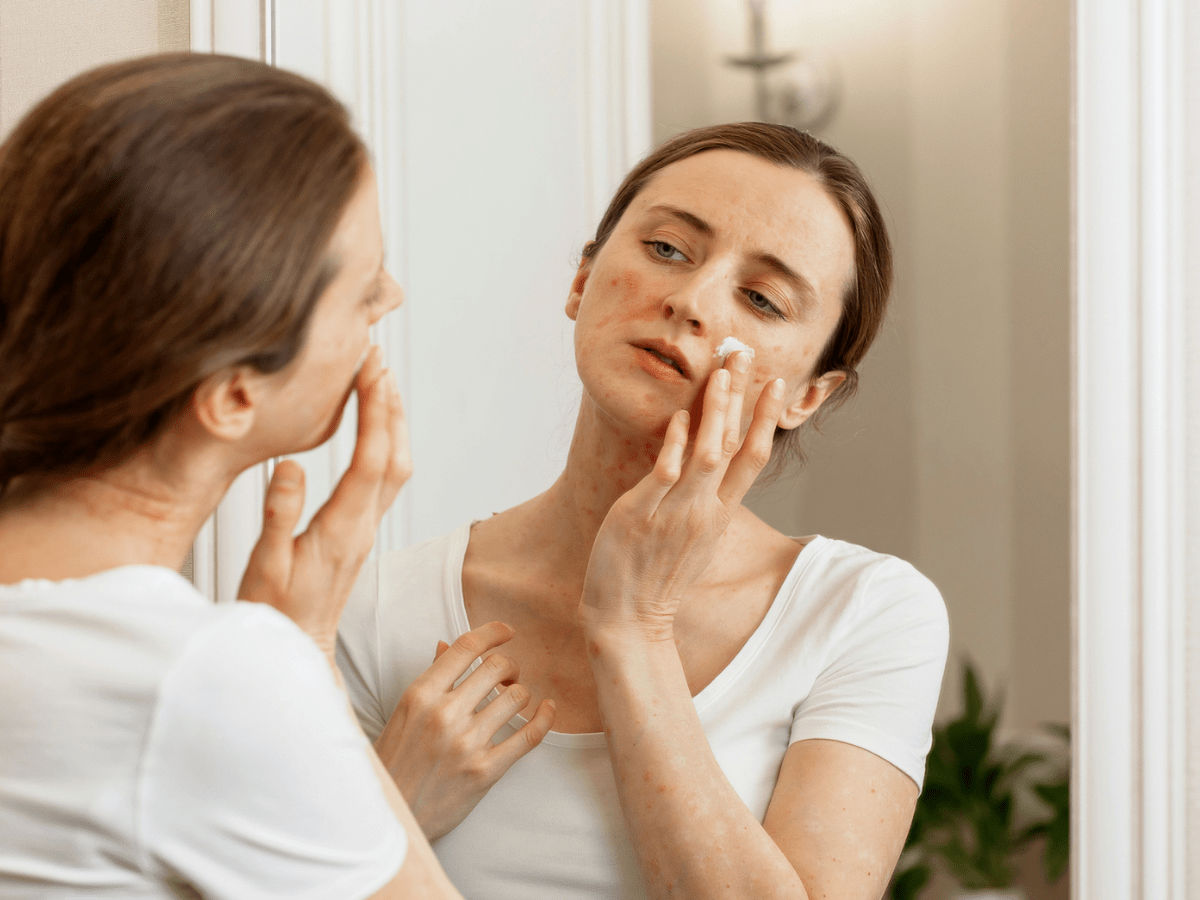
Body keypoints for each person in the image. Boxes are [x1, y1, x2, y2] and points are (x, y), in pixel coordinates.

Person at [337, 123, 950, 900]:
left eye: (761, 299)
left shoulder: (863, 615)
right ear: (582, 278)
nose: (690, 301)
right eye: (666, 249)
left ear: (807, 395)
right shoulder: (376, 607)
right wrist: (392, 810)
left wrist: (633, 629)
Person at [0, 53, 542, 899]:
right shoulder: (203, 674)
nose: (392, 297)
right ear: (233, 391)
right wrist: (305, 656)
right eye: (364, 290)